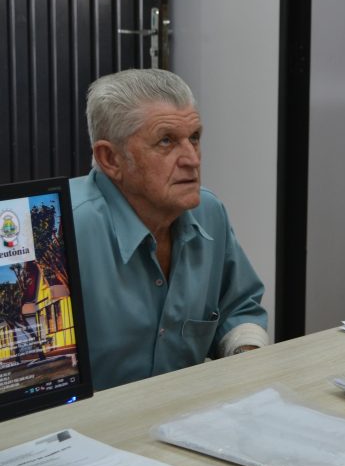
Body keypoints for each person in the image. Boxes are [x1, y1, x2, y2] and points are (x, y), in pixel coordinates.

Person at [70, 69, 268, 390]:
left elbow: (238, 307)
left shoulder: (208, 211)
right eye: (166, 141)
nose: (192, 159)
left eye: (194, 138)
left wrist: (247, 359)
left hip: (188, 409)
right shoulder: (59, 232)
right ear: (111, 159)